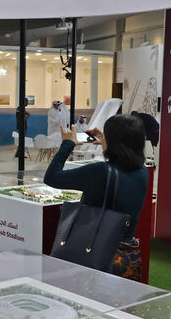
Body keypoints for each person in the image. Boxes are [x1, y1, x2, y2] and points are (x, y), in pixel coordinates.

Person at [44, 114, 148, 280]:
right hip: (127, 256)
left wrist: (67, 144)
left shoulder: (99, 171)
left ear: (113, 142)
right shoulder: (143, 172)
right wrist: (109, 143)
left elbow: (51, 177)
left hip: (95, 253)